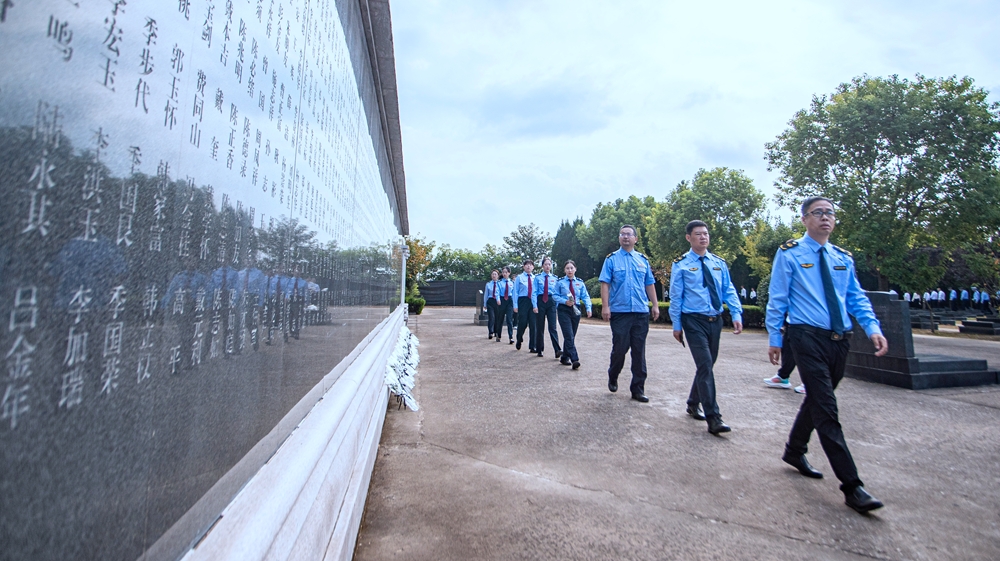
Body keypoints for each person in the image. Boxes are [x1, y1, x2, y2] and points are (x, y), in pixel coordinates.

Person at [766, 196, 888, 514]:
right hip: (805, 337)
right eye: (818, 212)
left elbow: (855, 297)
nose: (825, 217)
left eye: (830, 213)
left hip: (839, 340)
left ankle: (794, 450)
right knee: (826, 409)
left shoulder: (842, 257)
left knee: (818, 399)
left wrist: (872, 328)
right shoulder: (790, 253)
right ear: (804, 219)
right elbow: (778, 297)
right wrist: (775, 337)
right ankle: (852, 486)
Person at [669, 220, 743, 435]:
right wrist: (677, 325)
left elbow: (728, 289)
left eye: (705, 233)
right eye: (698, 234)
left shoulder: (718, 263)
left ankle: (693, 402)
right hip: (693, 321)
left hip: (715, 320)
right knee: (705, 364)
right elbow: (676, 297)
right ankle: (714, 418)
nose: (703, 237)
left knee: (707, 365)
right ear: (688, 237)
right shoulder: (681, 264)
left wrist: (736, 313)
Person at [600, 224, 659, 402]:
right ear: (619, 238)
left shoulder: (642, 260)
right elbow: (605, 284)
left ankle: (638, 389)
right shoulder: (611, 259)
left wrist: (655, 305)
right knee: (620, 349)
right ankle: (613, 374)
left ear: (635, 239)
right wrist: (605, 306)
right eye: (622, 234)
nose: (625, 237)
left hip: (640, 311)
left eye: (629, 234)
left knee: (639, 351)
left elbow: (649, 283)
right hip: (620, 312)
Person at [552, 260, 592, 369]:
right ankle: (575, 359)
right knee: (568, 335)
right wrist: (564, 301)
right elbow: (554, 296)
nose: (570, 270)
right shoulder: (560, 282)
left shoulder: (580, 283)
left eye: (571, 268)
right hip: (564, 309)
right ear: (564, 270)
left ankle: (564, 357)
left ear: (575, 269)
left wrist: (588, 308)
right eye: (567, 268)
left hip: (576, 309)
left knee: (571, 335)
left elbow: (585, 296)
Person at [532, 256, 562, 358]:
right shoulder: (537, 278)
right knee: (540, 327)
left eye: (549, 264)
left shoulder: (555, 278)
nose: (548, 266)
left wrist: (557, 305)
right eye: (546, 264)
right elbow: (534, 292)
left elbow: (557, 293)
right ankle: (540, 349)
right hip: (540, 301)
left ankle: (557, 350)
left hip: (551, 302)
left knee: (553, 327)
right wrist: (535, 305)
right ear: (542, 266)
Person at [512, 259, 537, 352]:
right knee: (523, 323)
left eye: (530, 265)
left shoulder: (535, 278)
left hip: (533, 301)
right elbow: (515, 292)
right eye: (527, 264)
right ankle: (519, 338)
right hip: (523, 301)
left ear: (533, 267)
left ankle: (533, 346)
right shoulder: (519, 277)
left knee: (533, 324)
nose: (528, 266)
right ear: (523, 267)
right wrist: (515, 305)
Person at [496, 267, 515, 343]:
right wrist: (498, 299)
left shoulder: (512, 282)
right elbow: (497, 292)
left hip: (509, 300)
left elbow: (514, 293)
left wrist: (514, 302)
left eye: (506, 272)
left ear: (509, 273)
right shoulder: (499, 282)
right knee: (500, 319)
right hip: (502, 300)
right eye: (503, 272)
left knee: (509, 319)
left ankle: (511, 337)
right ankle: (498, 335)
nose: (504, 274)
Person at [484, 269, 502, 340]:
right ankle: (490, 332)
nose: (494, 275)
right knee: (491, 317)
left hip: (497, 301)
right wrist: (485, 304)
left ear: (498, 276)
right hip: (490, 301)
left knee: (497, 317)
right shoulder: (488, 284)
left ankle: (496, 331)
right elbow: (486, 294)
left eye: (495, 274)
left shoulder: (500, 284)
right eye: (493, 274)